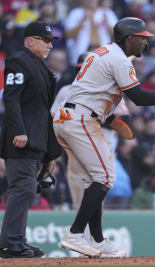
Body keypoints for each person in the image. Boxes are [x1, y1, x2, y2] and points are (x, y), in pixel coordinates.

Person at [53, 17, 155, 257]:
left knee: (95, 181)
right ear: (130, 39)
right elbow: (140, 98)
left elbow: (94, 90)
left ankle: (98, 241)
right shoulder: (119, 59)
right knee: (105, 178)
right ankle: (75, 233)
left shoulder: (100, 53)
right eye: (142, 39)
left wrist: (109, 118)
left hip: (67, 117)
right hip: (81, 119)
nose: (145, 44)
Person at [0, 20, 61, 258]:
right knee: (24, 186)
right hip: (21, 138)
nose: (49, 46)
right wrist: (18, 131)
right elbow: (11, 99)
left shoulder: (40, 66)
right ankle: (10, 243)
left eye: (51, 41)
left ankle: (17, 241)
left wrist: (48, 150)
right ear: (30, 41)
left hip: (37, 140)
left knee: (27, 188)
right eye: (45, 40)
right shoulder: (18, 61)